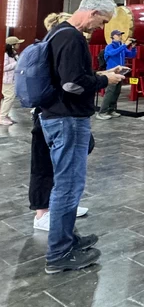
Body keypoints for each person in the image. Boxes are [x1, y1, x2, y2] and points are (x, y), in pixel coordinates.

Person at [40, 0, 125, 274]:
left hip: (56, 116)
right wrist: (105, 79)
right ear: (92, 11)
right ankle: (59, 254)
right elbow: (72, 85)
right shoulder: (73, 38)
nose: (98, 28)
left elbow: (70, 76)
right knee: (68, 186)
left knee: (66, 183)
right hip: (67, 120)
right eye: (101, 21)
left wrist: (101, 73)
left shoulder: (57, 33)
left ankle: (68, 239)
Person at [30, 13, 90, 232]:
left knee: (59, 166)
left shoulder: (54, 40)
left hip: (50, 111)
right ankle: (44, 214)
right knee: (46, 165)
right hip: (58, 113)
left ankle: (59, 209)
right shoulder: (66, 38)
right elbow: (70, 83)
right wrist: (100, 79)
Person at [97, 30, 136, 120]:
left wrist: (133, 48)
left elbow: (131, 55)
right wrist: (124, 45)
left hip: (120, 73)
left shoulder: (121, 47)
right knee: (110, 92)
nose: (120, 36)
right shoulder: (109, 47)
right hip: (111, 73)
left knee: (116, 92)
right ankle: (102, 112)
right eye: (118, 35)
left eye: (121, 35)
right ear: (113, 37)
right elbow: (113, 53)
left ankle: (111, 110)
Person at [1, 36, 23, 125]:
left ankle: (4, 115)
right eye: (17, 43)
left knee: (10, 98)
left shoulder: (13, 53)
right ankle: (2, 117)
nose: (19, 44)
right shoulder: (5, 54)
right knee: (9, 98)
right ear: (12, 45)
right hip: (7, 80)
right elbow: (4, 67)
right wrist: (16, 63)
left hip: (13, 79)